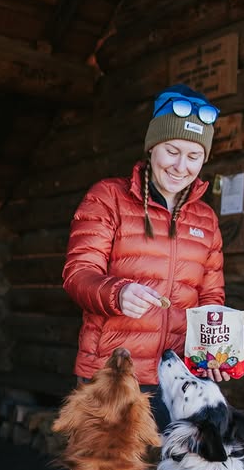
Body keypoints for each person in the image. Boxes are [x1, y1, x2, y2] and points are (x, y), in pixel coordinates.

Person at [62, 84, 229, 429]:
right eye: (172, 150)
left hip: (176, 382)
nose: (181, 166)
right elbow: (78, 274)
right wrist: (117, 293)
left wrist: (212, 353)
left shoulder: (206, 220)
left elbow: (211, 297)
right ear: (153, 146)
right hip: (113, 378)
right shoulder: (108, 198)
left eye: (194, 156)